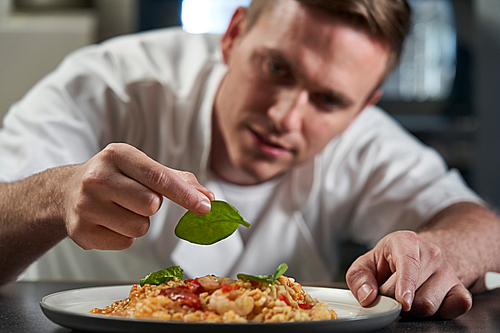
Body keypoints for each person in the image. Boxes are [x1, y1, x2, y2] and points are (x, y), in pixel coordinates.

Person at [0, 0, 499, 319]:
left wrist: (434, 252)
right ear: (234, 34)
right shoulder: (107, 85)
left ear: (363, 106)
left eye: (328, 101)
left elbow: (483, 228)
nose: (285, 115)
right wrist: (59, 193)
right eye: (276, 67)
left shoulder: (363, 140)